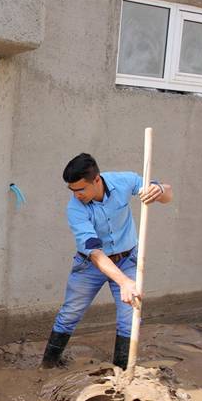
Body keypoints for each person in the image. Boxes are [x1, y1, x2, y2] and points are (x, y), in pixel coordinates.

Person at [41, 153, 173, 370]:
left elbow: (168, 194)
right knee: (70, 313)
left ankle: (121, 373)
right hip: (90, 265)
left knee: (130, 317)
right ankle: (47, 365)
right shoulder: (75, 209)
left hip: (127, 258)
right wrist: (124, 282)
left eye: (80, 189)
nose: (76, 195)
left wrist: (158, 190)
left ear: (96, 180)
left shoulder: (124, 181)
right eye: (72, 190)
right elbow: (95, 253)